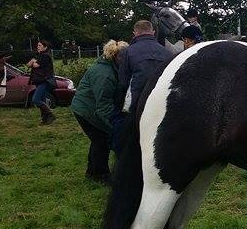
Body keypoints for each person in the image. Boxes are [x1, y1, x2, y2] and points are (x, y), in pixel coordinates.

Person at [71, 40, 128, 184]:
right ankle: (100, 175)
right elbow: (103, 106)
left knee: (98, 140)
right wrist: (116, 127)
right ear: (115, 56)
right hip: (85, 110)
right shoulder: (105, 74)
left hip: (92, 106)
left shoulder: (112, 67)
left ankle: (92, 172)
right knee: (101, 140)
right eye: (125, 57)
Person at [114, 20, 173, 120]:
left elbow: (123, 83)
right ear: (153, 32)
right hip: (161, 101)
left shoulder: (128, 52)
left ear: (135, 33)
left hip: (137, 103)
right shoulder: (167, 53)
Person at [26, 39, 56, 125]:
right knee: (41, 100)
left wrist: (33, 61)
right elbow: (28, 65)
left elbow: (35, 65)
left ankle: (50, 114)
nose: (37, 47)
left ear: (45, 47)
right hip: (39, 81)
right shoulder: (39, 56)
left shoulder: (45, 56)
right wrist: (32, 61)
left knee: (36, 100)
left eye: (40, 45)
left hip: (45, 81)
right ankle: (45, 120)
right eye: (37, 45)